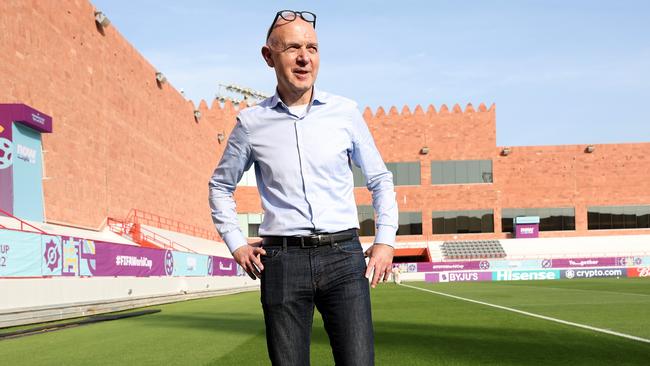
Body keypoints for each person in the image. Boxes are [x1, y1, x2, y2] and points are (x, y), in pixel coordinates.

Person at [209, 9, 398, 365]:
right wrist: (235, 244)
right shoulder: (251, 123)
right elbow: (220, 186)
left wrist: (385, 239)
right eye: (292, 47)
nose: (303, 57)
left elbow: (380, 179)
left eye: (312, 47)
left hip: (344, 257)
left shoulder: (345, 113)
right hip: (282, 262)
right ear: (269, 56)